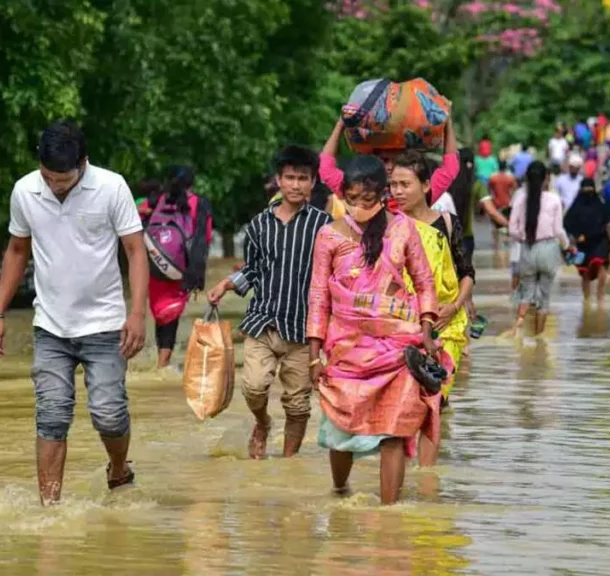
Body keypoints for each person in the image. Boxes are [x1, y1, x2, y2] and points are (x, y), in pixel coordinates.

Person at [0, 120, 148, 505]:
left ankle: (118, 469)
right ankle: (50, 509)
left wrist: (137, 314)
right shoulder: (25, 191)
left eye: (64, 179)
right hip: (51, 326)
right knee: (52, 417)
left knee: (108, 414)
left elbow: (135, 251)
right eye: (49, 178)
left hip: (105, 324)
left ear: (84, 163)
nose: (55, 186)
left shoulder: (111, 187)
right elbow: (17, 251)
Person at [307, 155, 441, 505]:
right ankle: (339, 491)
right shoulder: (329, 236)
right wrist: (313, 355)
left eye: (368, 199)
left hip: (398, 348)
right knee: (341, 429)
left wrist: (427, 331)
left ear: (383, 195)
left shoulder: (403, 229)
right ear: (343, 197)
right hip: (346, 350)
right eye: (352, 199)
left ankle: (389, 514)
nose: (360, 207)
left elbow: (424, 282)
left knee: (394, 431)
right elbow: (319, 296)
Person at [208, 146, 333, 459]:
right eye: (289, 177)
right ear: (278, 180)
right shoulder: (258, 225)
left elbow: (336, 275)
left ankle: (289, 464)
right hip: (263, 322)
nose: (295, 184)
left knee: (298, 404)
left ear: (313, 182)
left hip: (305, 330)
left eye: (302, 178)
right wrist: (226, 283)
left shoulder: (325, 227)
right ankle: (262, 422)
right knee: (253, 387)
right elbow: (252, 270)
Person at [389, 151, 474, 462]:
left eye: (404, 184)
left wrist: (455, 306)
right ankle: (402, 470)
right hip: (402, 327)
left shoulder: (446, 224)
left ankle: (427, 477)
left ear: (426, 186)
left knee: (434, 402)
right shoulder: (388, 228)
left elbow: (467, 274)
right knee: (403, 404)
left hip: (445, 328)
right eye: (393, 184)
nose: (397, 191)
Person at [143, 166, 213, 369]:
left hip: (155, 265)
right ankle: (163, 363)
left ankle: (160, 358)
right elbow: (204, 239)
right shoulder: (199, 203)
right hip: (181, 267)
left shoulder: (154, 201)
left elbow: (135, 219)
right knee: (171, 314)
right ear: (191, 183)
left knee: (160, 313)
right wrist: (197, 275)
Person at [319, 117, 459, 205]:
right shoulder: (360, 191)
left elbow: (450, 168)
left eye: (397, 161)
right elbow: (326, 169)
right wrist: (340, 124)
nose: (390, 167)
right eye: (385, 160)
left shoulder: (419, 194)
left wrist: (448, 125)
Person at [507, 161, 572, 338]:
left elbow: (512, 230)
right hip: (548, 249)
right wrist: (567, 246)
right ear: (546, 179)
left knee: (525, 294)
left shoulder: (520, 199)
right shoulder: (554, 200)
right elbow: (559, 230)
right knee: (544, 298)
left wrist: (524, 236)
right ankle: (538, 340)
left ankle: (517, 332)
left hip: (527, 249)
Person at [563, 178, 610, 302]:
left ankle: (600, 295)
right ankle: (587, 300)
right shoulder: (576, 205)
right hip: (583, 243)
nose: (588, 193)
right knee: (585, 272)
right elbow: (567, 222)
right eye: (585, 189)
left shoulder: (601, 203)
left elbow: (608, 219)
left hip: (600, 239)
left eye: (590, 189)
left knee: (601, 265)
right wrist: (576, 235)